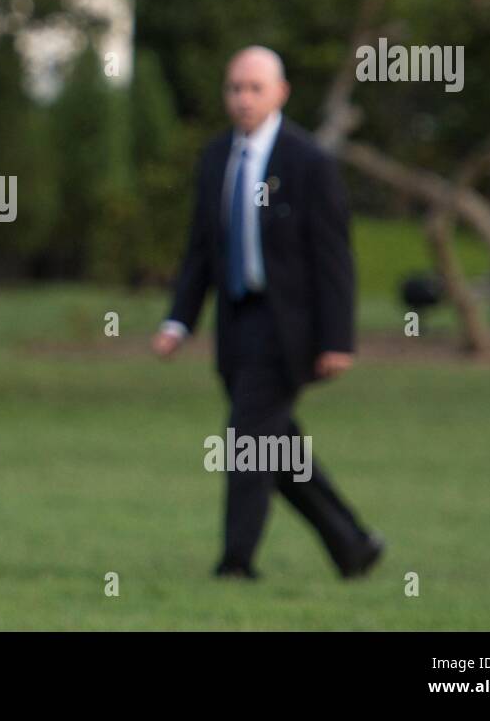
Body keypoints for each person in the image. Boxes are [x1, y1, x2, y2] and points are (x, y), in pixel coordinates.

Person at [152, 46, 382, 580]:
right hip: (237, 324)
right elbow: (200, 254)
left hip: (290, 331)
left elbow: (333, 260)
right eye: (235, 88)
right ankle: (354, 546)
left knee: (247, 442)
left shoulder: (309, 163)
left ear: (280, 93)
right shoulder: (215, 160)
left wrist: (337, 339)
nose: (243, 98)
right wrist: (177, 322)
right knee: (276, 450)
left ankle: (236, 563)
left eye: (255, 88)